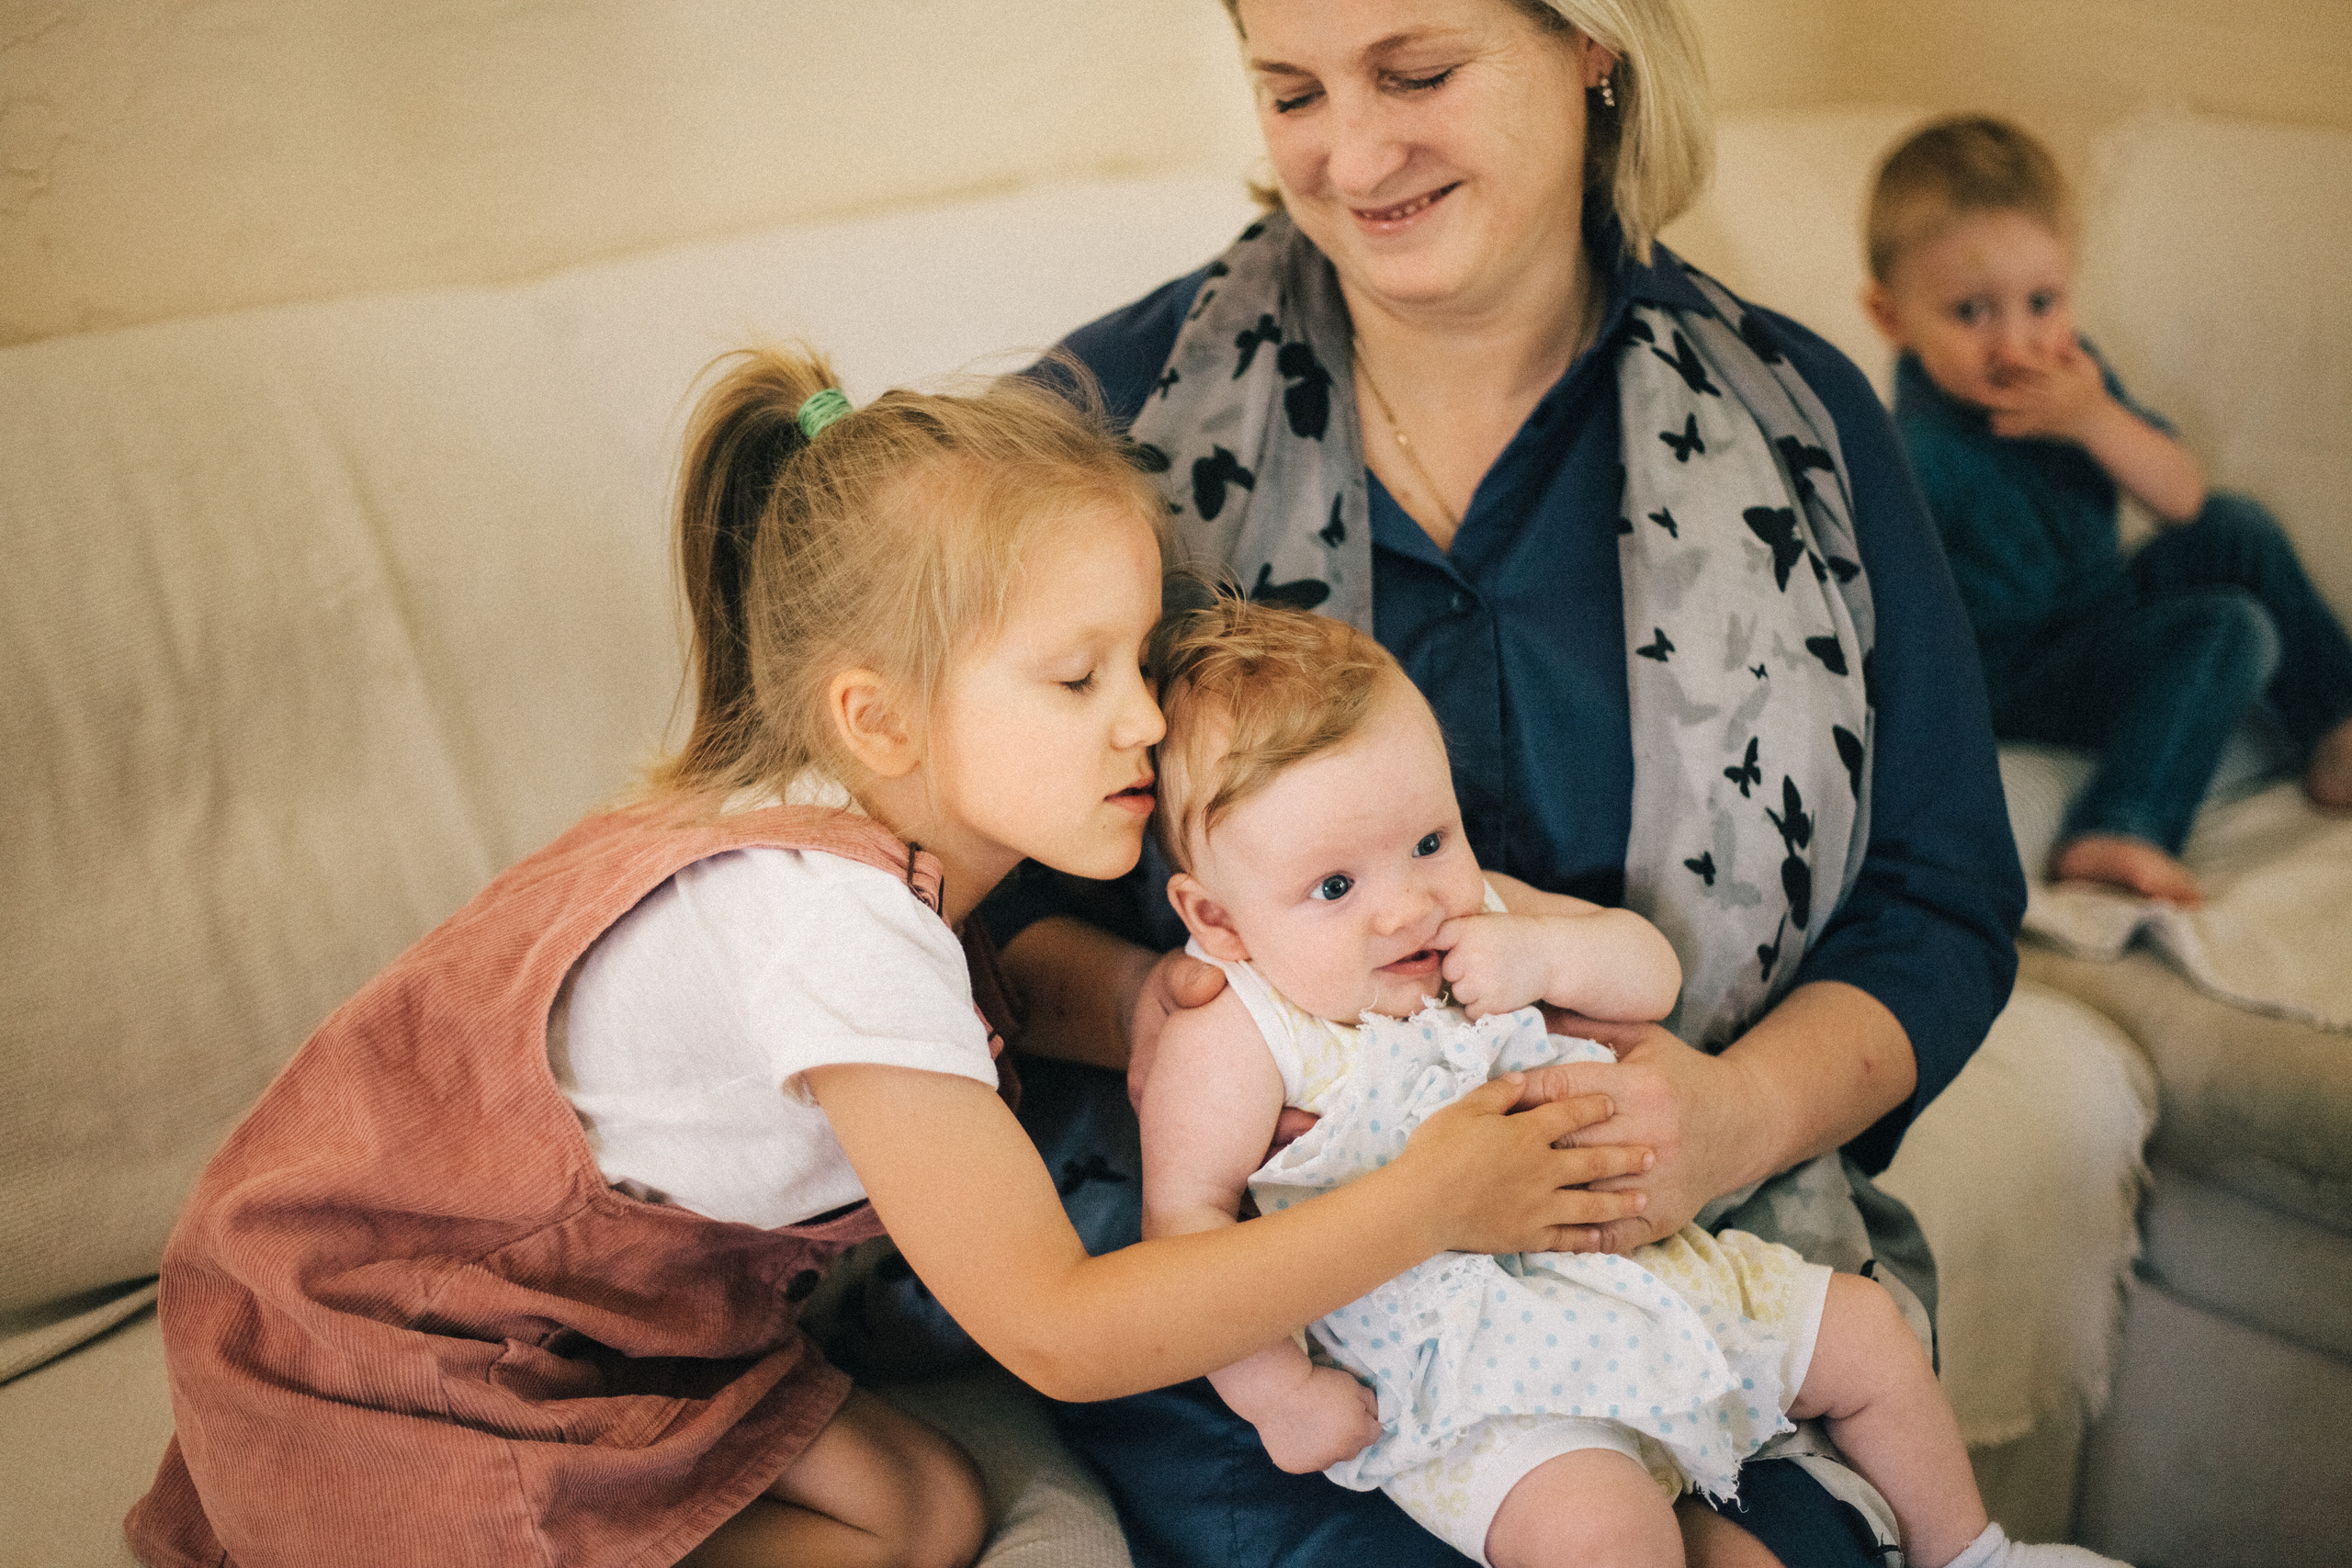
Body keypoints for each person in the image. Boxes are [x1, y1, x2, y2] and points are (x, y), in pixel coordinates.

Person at [121, 347, 1643, 1568]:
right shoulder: (820, 919)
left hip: (615, 1337)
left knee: (924, 1512)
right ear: (880, 717)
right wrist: (1427, 1198)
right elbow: (1057, 1329)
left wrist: (1125, 1000)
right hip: (394, 1350)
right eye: (1075, 676)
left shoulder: (844, 833)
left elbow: (957, 1000)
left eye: (1138, 660)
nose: (1144, 716)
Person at [974, 2, 2029, 1564]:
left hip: (1695, 1252)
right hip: (1267, 1326)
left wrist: (1730, 1115)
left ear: (1592, 45)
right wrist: (1181, 1027)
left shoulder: (1803, 428)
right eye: (1293, 91)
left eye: (1418, 71)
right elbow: (933, 904)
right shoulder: (1103, 432)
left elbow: (1940, 905)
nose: (1355, 153)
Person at [1139, 599, 2121, 1568]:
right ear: (1217, 919)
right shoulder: (1238, 1030)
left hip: (1646, 1275)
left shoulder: (1484, 915)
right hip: (1473, 1375)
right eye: (1336, 888)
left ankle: (1975, 1555)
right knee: (1609, 1536)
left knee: (1866, 1335)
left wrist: (1541, 957)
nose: (1406, 907)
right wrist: (1277, 1394)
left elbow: (1652, 973)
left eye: (1429, 842)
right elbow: (1186, 1234)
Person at [1862, 113, 2352, 907]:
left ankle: (2336, 725)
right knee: (2229, 626)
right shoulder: (1916, 452)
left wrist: (2094, 419)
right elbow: (1892, 615)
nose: (2018, 343)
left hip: (2096, 611)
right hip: (2011, 671)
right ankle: (2122, 824)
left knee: (2234, 526)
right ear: (1892, 318)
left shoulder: (2074, 379)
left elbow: (2180, 497)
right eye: (1972, 313)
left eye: (2042, 301)